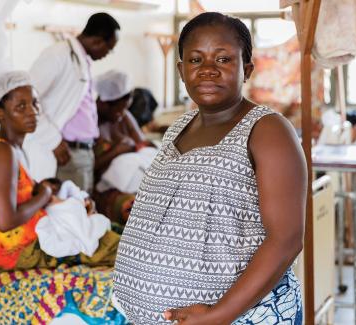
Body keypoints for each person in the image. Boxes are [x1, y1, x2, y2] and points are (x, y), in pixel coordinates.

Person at [112, 12, 307, 325]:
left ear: (247, 69)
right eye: (195, 60)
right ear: (181, 70)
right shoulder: (179, 127)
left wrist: (219, 314)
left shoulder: (267, 130)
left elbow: (286, 239)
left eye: (223, 59)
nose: (207, 71)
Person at [0, 71, 119, 274]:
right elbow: (5, 221)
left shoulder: (14, 148)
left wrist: (57, 195)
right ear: (0, 114)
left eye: (34, 103)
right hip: (15, 253)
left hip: (27, 238)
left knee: (105, 229)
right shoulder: (1, 151)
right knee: (113, 246)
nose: (32, 112)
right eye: (20, 107)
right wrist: (45, 195)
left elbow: (20, 196)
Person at [24, 13, 120, 192]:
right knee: (72, 212)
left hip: (82, 152)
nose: (108, 54)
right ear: (98, 41)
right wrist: (53, 140)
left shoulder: (82, 59)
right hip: (65, 152)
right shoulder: (58, 54)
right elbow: (28, 99)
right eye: (109, 48)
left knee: (82, 212)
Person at [93, 70, 157, 223]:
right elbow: (88, 167)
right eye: (118, 109)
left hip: (137, 177)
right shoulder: (89, 124)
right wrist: (117, 151)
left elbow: (143, 146)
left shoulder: (124, 117)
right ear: (103, 104)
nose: (121, 114)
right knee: (135, 208)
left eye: (125, 108)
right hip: (105, 186)